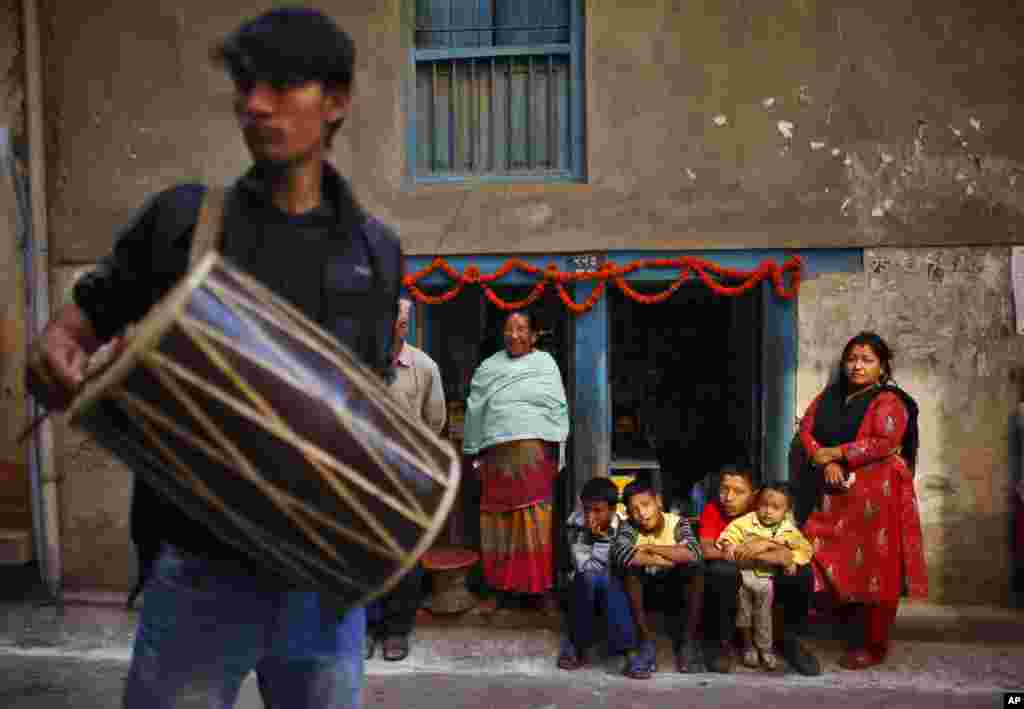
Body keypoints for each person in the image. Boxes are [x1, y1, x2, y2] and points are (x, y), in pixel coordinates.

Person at [25, 8, 402, 708]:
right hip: (199, 578)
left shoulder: (377, 252)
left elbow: (365, 406)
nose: (255, 104)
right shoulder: (181, 223)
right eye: (245, 85)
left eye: (282, 85)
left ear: (337, 101)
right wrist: (52, 354)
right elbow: (66, 333)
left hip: (325, 587)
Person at [796, 331, 928, 670]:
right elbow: (807, 431)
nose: (857, 366)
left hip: (879, 495)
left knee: (875, 566)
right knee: (819, 546)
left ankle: (873, 646)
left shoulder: (890, 401)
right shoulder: (830, 396)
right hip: (837, 493)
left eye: (867, 360)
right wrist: (825, 460)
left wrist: (838, 453)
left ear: (882, 367)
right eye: (852, 359)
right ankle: (841, 629)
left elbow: (884, 441)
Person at [462, 310, 569, 612]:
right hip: (497, 461)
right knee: (498, 524)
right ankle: (499, 588)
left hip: (534, 459)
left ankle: (540, 589)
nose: (514, 335)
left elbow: (556, 409)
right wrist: (474, 453)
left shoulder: (545, 364)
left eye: (522, 329)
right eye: (509, 328)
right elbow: (475, 411)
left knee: (536, 523)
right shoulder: (488, 367)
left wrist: (557, 450)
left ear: (534, 335)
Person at [365, 298, 445, 662]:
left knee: (405, 556)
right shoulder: (361, 361)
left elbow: (435, 421)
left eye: (400, 323)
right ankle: (367, 627)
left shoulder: (424, 367)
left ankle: (397, 631)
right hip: (365, 471)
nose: (394, 328)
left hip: (407, 473)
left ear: (406, 326)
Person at [698, 463, 821, 675]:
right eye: (724, 489)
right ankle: (721, 642)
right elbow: (708, 550)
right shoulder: (713, 510)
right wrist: (752, 552)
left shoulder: (770, 507)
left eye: (738, 491)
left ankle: (789, 638)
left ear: (754, 495)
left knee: (802, 572)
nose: (728, 497)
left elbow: (791, 548)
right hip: (737, 575)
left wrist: (764, 546)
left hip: (767, 576)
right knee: (722, 570)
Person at [610, 475, 704, 678]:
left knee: (695, 569)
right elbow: (622, 554)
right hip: (644, 589)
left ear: (658, 502)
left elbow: (693, 553)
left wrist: (652, 548)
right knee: (629, 570)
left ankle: (687, 642)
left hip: (674, 588)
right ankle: (645, 640)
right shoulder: (629, 527)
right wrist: (668, 558)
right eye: (634, 510)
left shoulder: (678, 523)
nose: (642, 513)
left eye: (646, 505)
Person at [716, 482, 813, 671]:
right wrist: (728, 546)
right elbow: (728, 536)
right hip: (744, 577)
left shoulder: (788, 529)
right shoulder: (746, 521)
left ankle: (765, 649)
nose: (768, 511)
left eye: (776, 507)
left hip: (766, 582)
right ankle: (748, 646)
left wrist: (792, 560)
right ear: (757, 503)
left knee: (763, 616)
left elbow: (805, 549)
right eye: (764, 505)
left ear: (786, 510)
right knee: (744, 614)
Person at [557, 476, 635, 670]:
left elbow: (623, 561)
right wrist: (599, 541)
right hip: (584, 586)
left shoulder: (625, 527)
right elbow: (585, 568)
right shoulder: (575, 526)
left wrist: (603, 539)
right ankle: (576, 643)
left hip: (614, 587)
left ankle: (629, 650)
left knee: (612, 581)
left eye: (598, 510)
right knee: (590, 578)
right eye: (587, 509)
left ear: (613, 510)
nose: (591, 516)